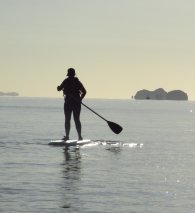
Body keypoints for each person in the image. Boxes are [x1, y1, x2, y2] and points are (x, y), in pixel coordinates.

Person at [57, 68, 86, 141]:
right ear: (74, 74)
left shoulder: (66, 81)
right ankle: (79, 136)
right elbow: (84, 92)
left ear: (68, 74)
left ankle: (68, 136)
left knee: (68, 119)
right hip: (75, 103)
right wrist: (80, 99)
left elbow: (59, 88)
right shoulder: (77, 82)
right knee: (76, 119)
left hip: (69, 103)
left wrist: (58, 88)